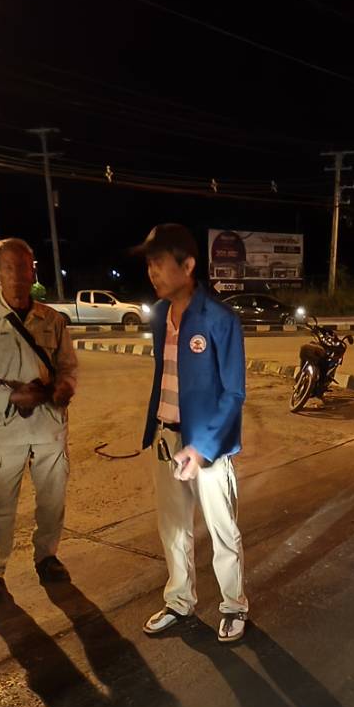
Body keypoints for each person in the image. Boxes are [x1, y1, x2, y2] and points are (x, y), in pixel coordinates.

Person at [138, 223, 249, 643]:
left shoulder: (220, 319)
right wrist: (157, 429)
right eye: (149, 264)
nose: (153, 272)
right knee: (173, 529)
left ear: (187, 266)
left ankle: (234, 606)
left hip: (208, 448)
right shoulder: (160, 315)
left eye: (160, 263)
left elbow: (234, 392)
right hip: (166, 439)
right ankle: (179, 601)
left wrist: (201, 448)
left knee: (222, 531)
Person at [0, 238, 77, 595]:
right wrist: (11, 396)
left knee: (52, 500)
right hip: (7, 427)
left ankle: (47, 557)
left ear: (32, 270)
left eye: (23, 267)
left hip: (49, 426)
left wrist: (65, 386)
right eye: (8, 268)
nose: (16, 275)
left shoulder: (51, 319)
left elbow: (68, 365)